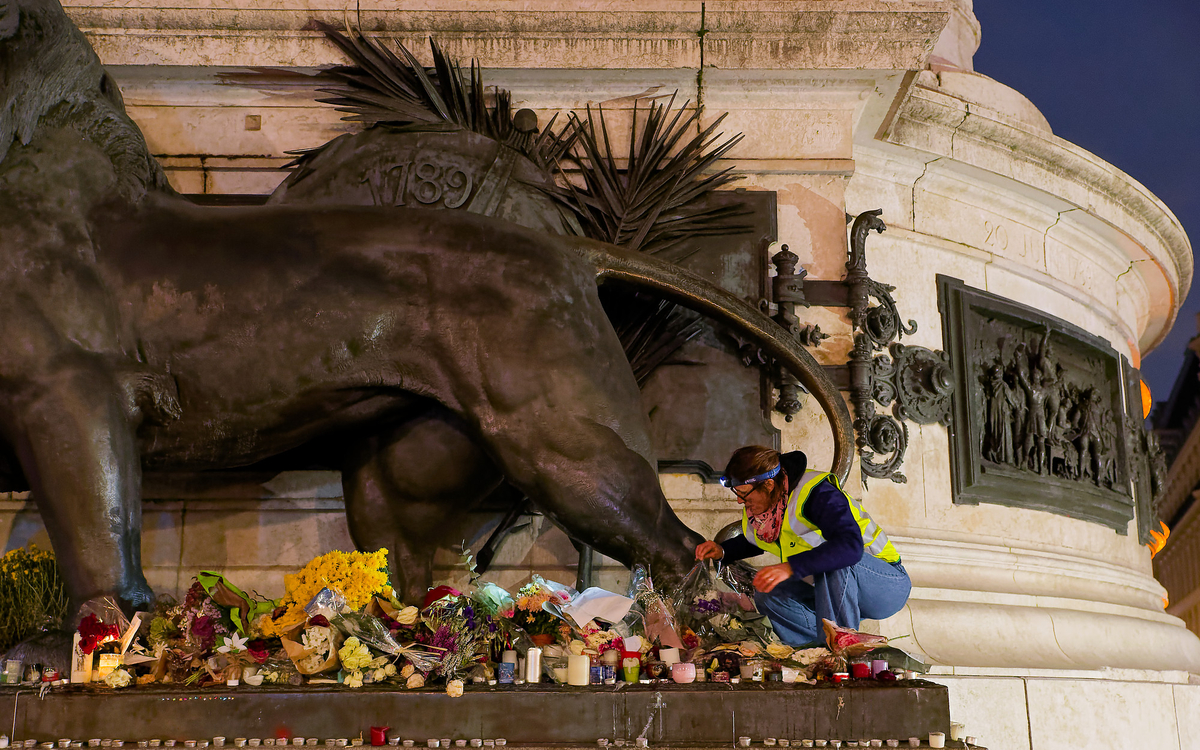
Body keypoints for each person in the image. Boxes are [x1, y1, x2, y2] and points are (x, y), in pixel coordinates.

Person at [694, 445, 911, 646]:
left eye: (744, 493)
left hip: (884, 585)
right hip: (829, 589)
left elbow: (850, 547)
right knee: (767, 594)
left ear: (769, 484)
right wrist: (723, 550)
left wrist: (789, 568)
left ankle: (843, 657)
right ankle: (814, 652)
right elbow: (762, 540)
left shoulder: (816, 493)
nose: (740, 501)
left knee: (834, 560)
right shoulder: (769, 508)